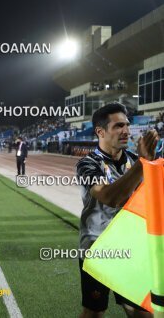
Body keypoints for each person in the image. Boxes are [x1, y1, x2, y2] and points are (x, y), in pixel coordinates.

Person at [76, 103, 158, 318]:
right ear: (100, 131)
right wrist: (142, 163)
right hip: (97, 247)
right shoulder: (87, 164)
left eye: (127, 125)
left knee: (142, 313)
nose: (126, 131)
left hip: (131, 249)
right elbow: (111, 198)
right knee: (94, 312)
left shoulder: (135, 159)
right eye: (118, 126)